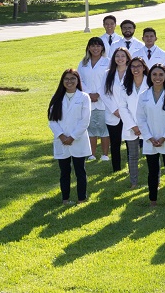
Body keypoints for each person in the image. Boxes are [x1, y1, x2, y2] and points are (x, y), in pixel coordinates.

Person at [138, 63, 165, 208]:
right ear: (150, 76)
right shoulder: (143, 96)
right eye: (154, 74)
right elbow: (141, 119)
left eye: (161, 74)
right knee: (152, 172)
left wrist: (163, 138)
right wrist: (150, 137)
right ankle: (153, 201)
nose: (158, 77)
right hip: (150, 139)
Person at [47, 69, 91, 204]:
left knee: (80, 171)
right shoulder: (57, 98)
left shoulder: (84, 97)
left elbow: (85, 121)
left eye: (73, 78)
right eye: (66, 79)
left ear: (78, 81)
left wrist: (72, 137)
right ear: (62, 81)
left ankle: (81, 198)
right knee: (64, 172)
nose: (69, 81)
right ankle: (65, 199)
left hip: (78, 140)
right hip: (61, 141)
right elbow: (52, 120)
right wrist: (61, 136)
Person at [77, 37, 111, 162]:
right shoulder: (83, 63)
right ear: (88, 48)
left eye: (98, 46)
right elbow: (79, 80)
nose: (95, 48)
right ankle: (91, 154)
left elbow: (109, 80)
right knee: (90, 128)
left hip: (103, 100)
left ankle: (105, 154)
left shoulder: (108, 62)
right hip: (88, 99)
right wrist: (89, 94)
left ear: (102, 48)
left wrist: (98, 94)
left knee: (104, 128)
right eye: (92, 46)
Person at [119, 57, 150, 189]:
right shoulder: (125, 86)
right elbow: (122, 107)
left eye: (139, 66)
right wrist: (133, 126)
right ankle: (134, 183)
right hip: (131, 126)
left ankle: (155, 182)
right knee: (132, 156)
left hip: (148, 125)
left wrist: (142, 125)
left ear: (144, 67)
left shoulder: (151, 84)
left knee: (151, 155)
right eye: (133, 66)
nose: (136, 69)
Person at [100, 48, 131, 175]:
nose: (120, 58)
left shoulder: (132, 72)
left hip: (128, 113)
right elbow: (103, 93)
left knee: (130, 143)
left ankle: (132, 168)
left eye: (123, 56)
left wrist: (125, 110)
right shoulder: (108, 73)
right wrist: (114, 110)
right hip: (113, 114)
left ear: (127, 58)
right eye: (117, 56)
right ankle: (116, 168)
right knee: (115, 142)